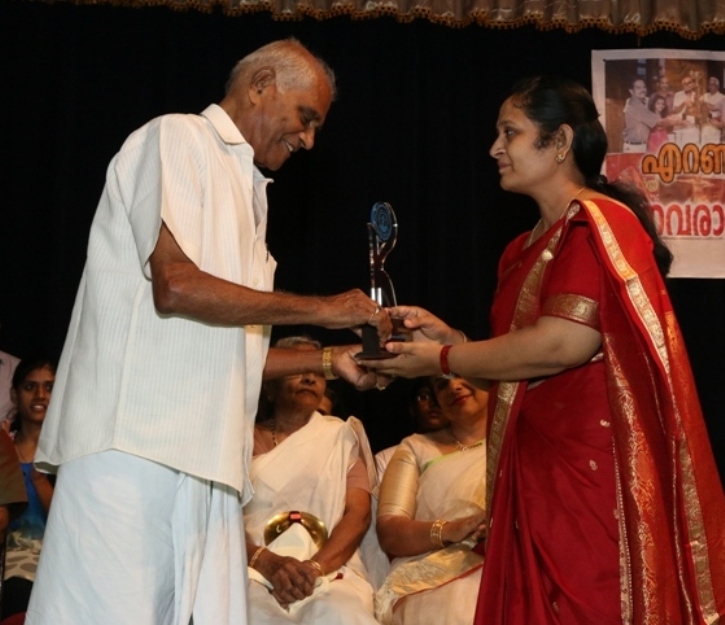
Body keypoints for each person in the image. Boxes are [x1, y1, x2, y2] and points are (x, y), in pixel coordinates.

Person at [27, 39, 391, 625]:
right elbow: (175, 286)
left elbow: (226, 350)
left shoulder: (251, 193)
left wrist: (330, 361)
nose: (308, 139)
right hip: (133, 448)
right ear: (261, 84)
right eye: (306, 117)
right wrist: (324, 308)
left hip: (210, 464)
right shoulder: (177, 137)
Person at [362, 75, 725, 623]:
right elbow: (523, 358)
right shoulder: (520, 249)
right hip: (530, 468)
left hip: (590, 472)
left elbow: (563, 344)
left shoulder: (599, 224)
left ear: (559, 142)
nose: (495, 148)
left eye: (510, 132)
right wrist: (452, 341)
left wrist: (442, 360)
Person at [245, 335, 379, 624]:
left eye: (318, 372)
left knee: (340, 612)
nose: (309, 378)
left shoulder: (341, 437)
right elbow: (220, 515)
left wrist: (314, 569)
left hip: (328, 568)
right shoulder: (241, 439)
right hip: (251, 569)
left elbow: (358, 515)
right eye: (298, 369)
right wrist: (265, 563)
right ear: (268, 386)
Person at [374, 375, 488, 625]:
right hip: (429, 576)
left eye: (463, 374)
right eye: (441, 384)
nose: (454, 386)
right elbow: (390, 532)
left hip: (508, 558)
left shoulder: (520, 439)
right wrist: (451, 530)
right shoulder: (416, 447)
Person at [3, 358, 56, 620]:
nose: (40, 395)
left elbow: (68, 522)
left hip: (52, 565)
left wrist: (39, 480)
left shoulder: (67, 456)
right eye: (29, 387)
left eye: (49, 388)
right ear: (15, 394)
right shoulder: (3, 447)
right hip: (7, 563)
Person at [374, 377, 448, 479]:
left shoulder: (466, 448)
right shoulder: (387, 457)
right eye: (424, 397)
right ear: (412, 408)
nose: (433, 403)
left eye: (440, 395)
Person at [622, 78, 664, 153]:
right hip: (633, 147)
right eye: (638, 88)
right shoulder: (635, 105)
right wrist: (677, 121)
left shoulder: (644, 101)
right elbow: (658, 121)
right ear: (631, 91)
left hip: (642, 145)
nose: (642, 90)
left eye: (644, 87)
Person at [671, 73, 701, 146]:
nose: (686, 85)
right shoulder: (677, 95)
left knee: (691, 149)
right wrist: (684, 103)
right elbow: (675, 111)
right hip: (679, 127)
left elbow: (699, 113)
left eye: (689, 83)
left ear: (693, 84)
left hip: (692, 128)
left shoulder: (697, 96)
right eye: (684, 84)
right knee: (679, 149)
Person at [700, 76, 725, 144]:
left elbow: (715, 108)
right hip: (704, 125)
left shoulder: (722, 98)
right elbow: (698, 106)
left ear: (718, 86)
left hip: (715, 127)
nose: (710, 86)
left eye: (713, 84)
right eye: (709, 84)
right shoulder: (704, 96)